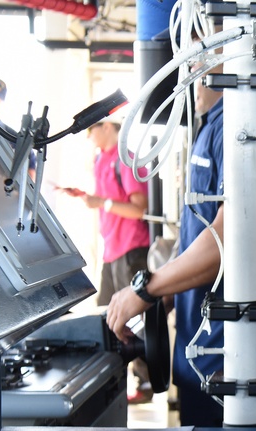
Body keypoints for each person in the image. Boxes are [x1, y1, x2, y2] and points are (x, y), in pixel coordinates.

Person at [105, 29, 256, 426]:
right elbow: (203, 233)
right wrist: (168, 293)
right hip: (208, 348)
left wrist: (147, 288)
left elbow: (231, 236)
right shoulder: (220, 121)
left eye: (194, 53)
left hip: (237, 357)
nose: (190, 67)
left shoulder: (251, 118)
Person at [61, 119, 153, 403]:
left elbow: (138, 209)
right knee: (108, 318)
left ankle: (147, 383)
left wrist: (101, 203)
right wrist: (89, 198)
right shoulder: (102, 160)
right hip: (111, 250)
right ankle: (112, 382)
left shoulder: (126, 160)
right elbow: (107, 200)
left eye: (91, 130)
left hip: (132, 249)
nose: (90, 138)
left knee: (135, 319)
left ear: (108, 127)